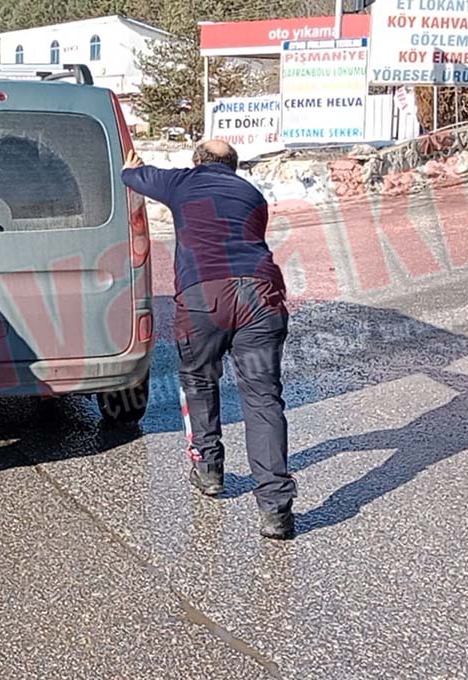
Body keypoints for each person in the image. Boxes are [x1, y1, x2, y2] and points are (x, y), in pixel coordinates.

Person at [121, 141, 297, 540]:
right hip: (260, 296)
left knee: (199, 381)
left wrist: (130, 167)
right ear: (233, 168)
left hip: (205, 298)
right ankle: (276, 510)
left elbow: (135, 176)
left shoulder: (184, 181)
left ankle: (209, 468)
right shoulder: (252, 194)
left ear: (198, 162)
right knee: (262, 398)